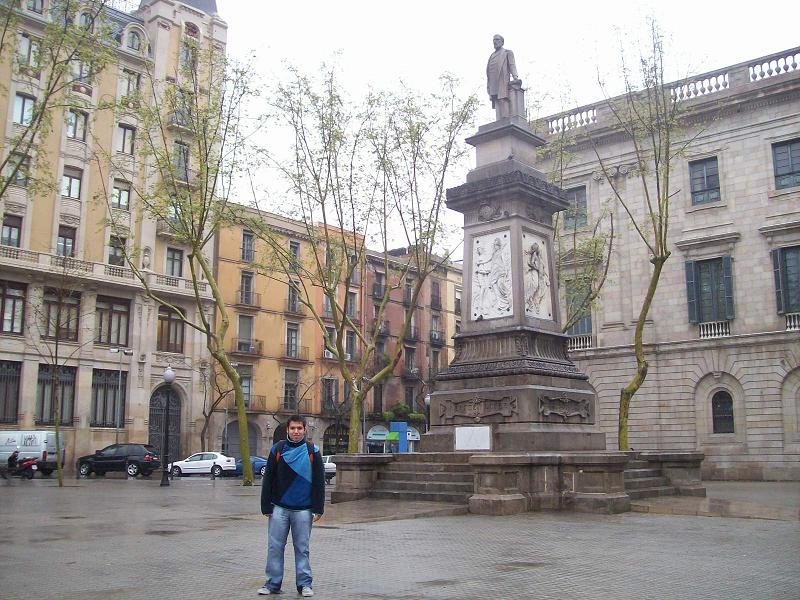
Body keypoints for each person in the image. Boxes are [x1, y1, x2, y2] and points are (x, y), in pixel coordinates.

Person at [259, 415, 325, 597]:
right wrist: (266, 506)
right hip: (279, 507)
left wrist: (318, 508)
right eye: (293, 428)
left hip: (304, 509)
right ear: (287, 430)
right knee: (274, 547)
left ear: (305, 430)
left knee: (302, 548)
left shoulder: (313, 451)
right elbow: (268, 479)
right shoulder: (277, 449)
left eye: (299, 428)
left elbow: (319, 482)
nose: (296, 432)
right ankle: (273, 583)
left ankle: (304, 584)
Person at [486, 34, 520, 120]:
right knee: (496, 99)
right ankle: (499, 120)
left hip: (503, 80)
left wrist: (515, 76)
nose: (495, 42)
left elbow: (512, 65)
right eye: (494, 40)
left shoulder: (507, 52)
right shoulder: (491, 56)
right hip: (493, 82)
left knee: (502, 99)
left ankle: (505, 118)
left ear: (502, 42)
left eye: (497, 40)